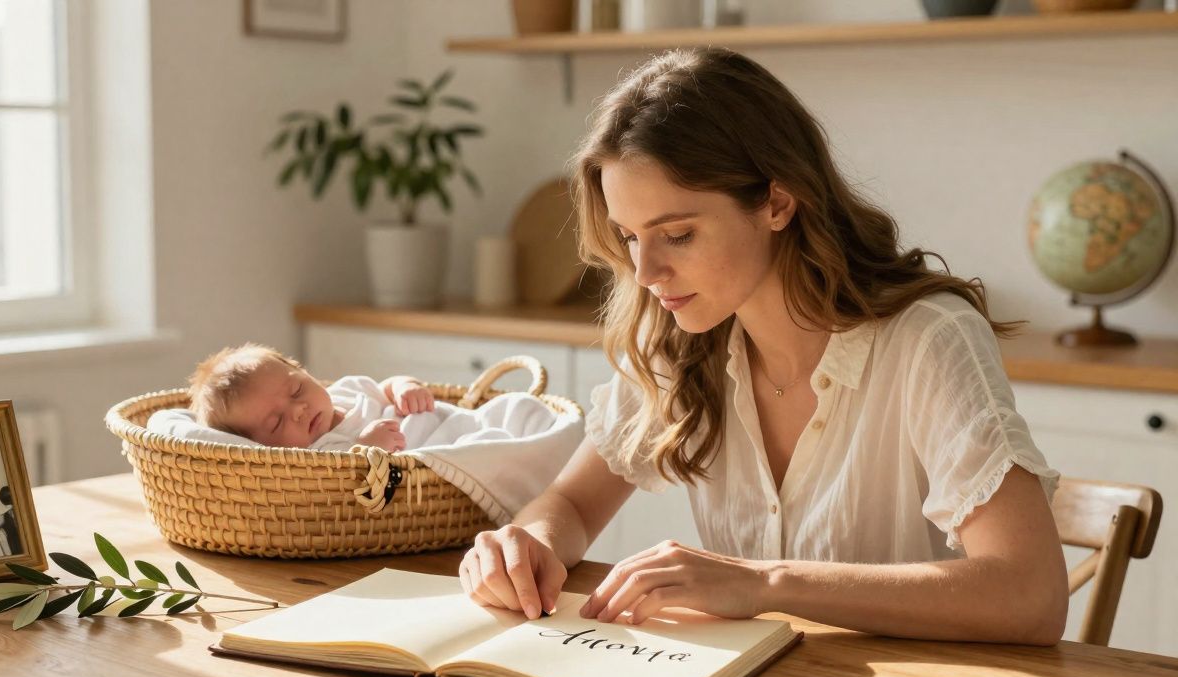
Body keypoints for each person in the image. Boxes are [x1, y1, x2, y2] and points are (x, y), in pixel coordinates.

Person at [458, 48, 1068, 645]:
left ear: (777, 203)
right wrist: (527, 542)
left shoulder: (928, 339)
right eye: (629, 236)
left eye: (677, 234)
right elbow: (573, 502)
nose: (645, 272)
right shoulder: (680, 334)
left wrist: (766, 582)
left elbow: (1030, 595)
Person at [187, 343, 436, 451]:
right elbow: (345, 483)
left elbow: (385, 389)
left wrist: (406, 386)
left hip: (443, 424)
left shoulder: (348, 389)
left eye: (296, 390)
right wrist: (365, 448)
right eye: (276, 422)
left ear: (304, 372)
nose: (298, 410)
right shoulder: (318, 456)